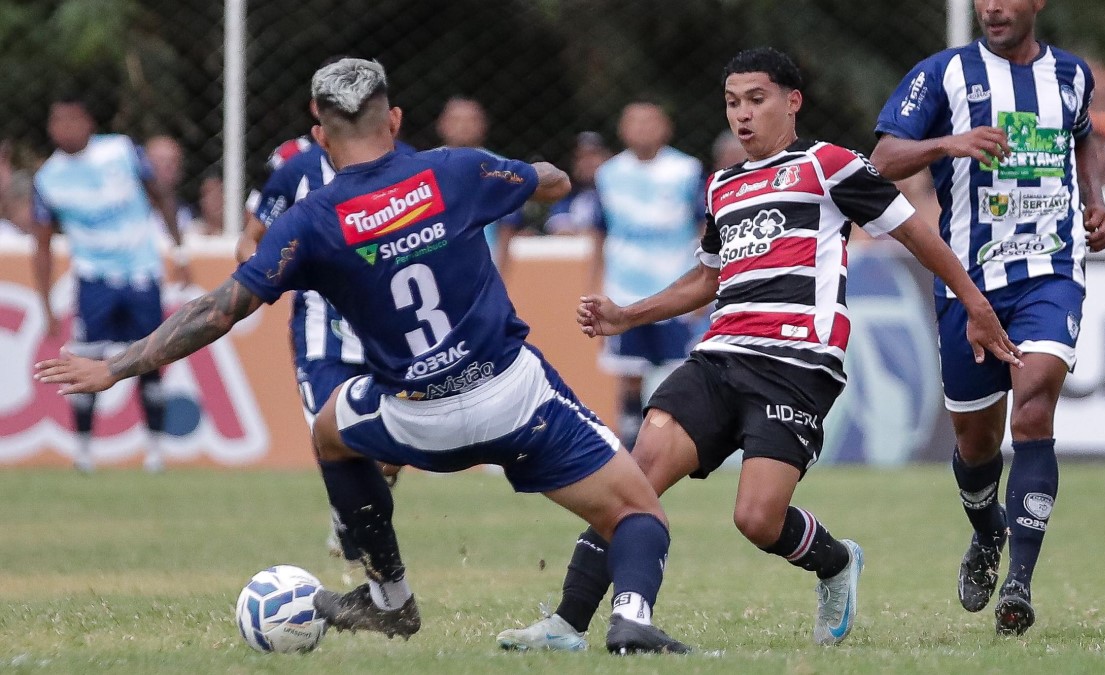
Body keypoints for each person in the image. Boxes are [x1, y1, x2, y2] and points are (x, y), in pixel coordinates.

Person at [36, 58, 689, 655]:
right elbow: (547, 180)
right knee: (637, 511)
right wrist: (530, 178)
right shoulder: (454, 171)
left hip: (413, 418)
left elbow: (219, 309)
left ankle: (389, 597)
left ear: (319, 135)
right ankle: (629, 614)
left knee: (329, 430)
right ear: (396, 118)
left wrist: (119, 364)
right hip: (512, 398)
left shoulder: (312, 221)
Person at [496, 46, 1019, 651]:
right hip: (719, 355)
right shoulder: (724, 185)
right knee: (632, 479)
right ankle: (568, 623)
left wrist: (974, 304)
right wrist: (625, 314)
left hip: (797, 364)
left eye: (756, 100)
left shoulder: (830, 166)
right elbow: (707, 279)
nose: (741, 116)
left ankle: (835, 564)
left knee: (757, 519)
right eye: (732, 103)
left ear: (792, 102)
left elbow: (915, 232)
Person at [871, 0, 1105, 636]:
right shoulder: (944, 73)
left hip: (1052, 272)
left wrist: (1095, 201)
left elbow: (1083, 134)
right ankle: (986, 534)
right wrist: (948, 143)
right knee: (975, 445)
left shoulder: (1072, 75)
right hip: (969, 285)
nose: (992, 7)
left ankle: (1020, 585)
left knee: (1034, 407)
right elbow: (883, 159)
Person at [235, 87, 417, 568]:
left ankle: (353, 512)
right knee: (332, 434)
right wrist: (263, 274)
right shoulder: (297, 171)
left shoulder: (415, 169)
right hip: (324, 336)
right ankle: (371, 555)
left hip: (396, 335)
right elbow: (250, 238)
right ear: (320, 123)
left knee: (390, 453)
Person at [24, 92, 191, 474]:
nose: (62, 129)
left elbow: (160, 196)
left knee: (150, 357)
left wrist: (179, 253)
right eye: (56, 122)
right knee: (86, 361)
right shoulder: (48, 178)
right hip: (94, 281)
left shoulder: (120, 152)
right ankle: (83, 451)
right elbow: (43, 244)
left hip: (141, 275)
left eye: (70, 119)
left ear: (88, 123)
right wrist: (46, 304)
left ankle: (155, 451)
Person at [592, 98, 706, 448]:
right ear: (623, 129)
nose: (642, 129)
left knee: (680, 371)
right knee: (629, 374)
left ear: (666, 127)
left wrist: (704, 283)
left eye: (650, 121)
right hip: (624, 289)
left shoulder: (687, 169)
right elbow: (599, 232)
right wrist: (596, 283)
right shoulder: (607, 174)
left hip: (677, 288)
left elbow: (705, 226)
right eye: (635, 122)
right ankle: (629, 443)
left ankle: (680, 444)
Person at [435, 96, 523, 274]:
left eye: (471, 120)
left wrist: (501, 274)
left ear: (484, 126)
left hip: (483, 267)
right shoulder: (421, 167)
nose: (464, 126)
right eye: (456, 120)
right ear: (441, 124)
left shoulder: (502, 168)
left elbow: (508, 227)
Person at [543, 132, 610, 236]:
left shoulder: (617, 194)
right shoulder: (567, 194)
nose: (587, 163)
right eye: (580, 157)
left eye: (593, 155)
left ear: (608, 157)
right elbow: (560, 228)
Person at [144, 135, 198, 238]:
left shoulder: (188, 215)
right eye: (160, 160)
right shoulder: (128, 212)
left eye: (172, 161)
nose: (166, 167)